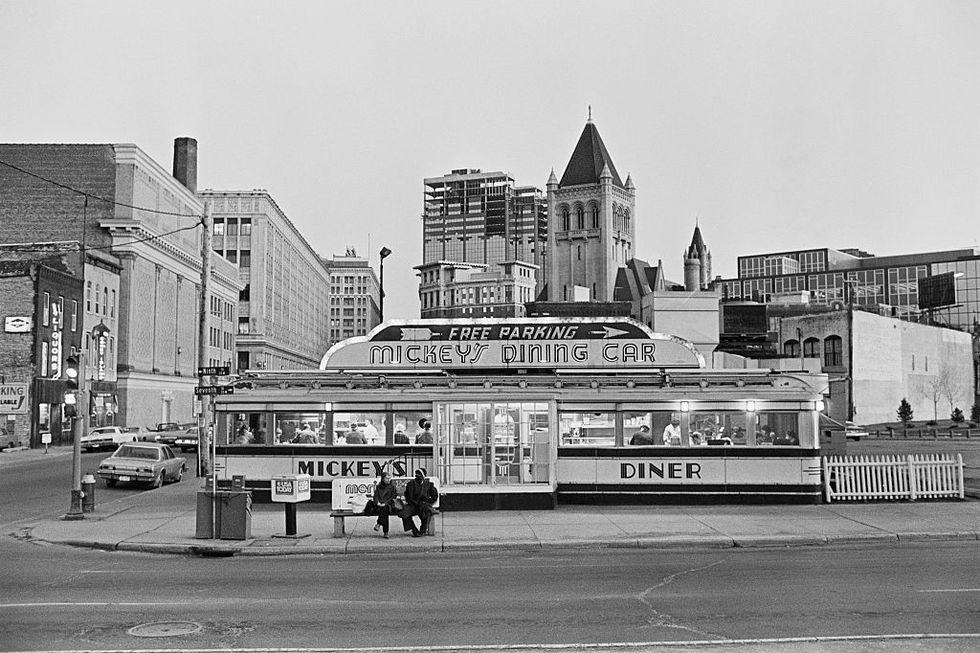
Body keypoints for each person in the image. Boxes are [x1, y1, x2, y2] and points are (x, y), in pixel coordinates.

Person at [402, 468, 438, 537]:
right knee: (404, 513)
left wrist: (427, 502)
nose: (418, 476)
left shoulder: (429, 485)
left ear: (423, 476)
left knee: (427, 511)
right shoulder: (410, 484)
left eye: (420, 475)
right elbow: (408, 496)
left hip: (423, 504)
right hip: (413, 505)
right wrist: (414, 503)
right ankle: (414, 530)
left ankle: (422, 531)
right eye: (417, 475)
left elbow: (434, 496)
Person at [371, 472, 398, 538]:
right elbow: (375, 496)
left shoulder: (392, 487)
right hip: (378, 505)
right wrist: (378, 503)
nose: (388, 480)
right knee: (384, 511)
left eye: (389, 478)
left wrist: (385, 503)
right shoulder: (378, 487)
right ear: (383, 479)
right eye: (387, 478)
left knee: (384, 509)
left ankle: (379, 523)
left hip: (388, 505)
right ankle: (385, 532)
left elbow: (393, 497)